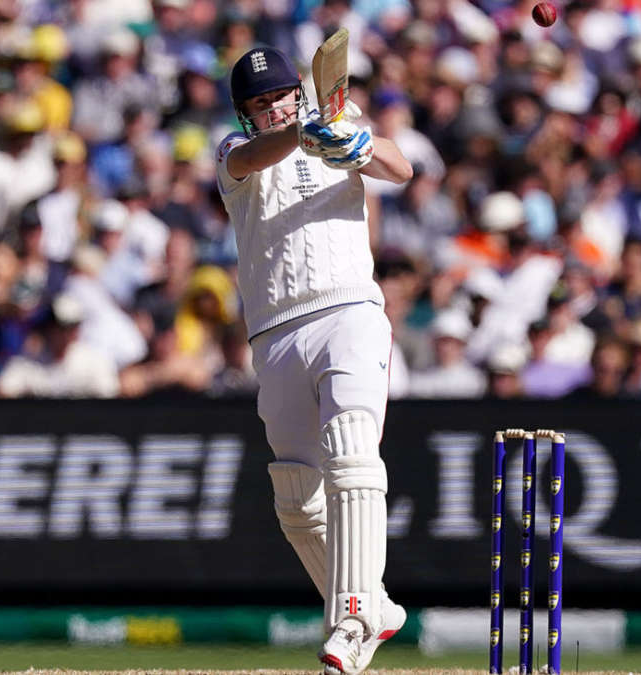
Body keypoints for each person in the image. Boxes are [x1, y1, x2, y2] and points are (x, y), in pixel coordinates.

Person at [215, 45, 412, 674]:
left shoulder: (343, 117)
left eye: (279, 96)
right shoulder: (233, 155)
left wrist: (357, 148)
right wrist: (308, 133)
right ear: (245, 113)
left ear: (297, 92)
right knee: (297, 495)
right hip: (273, 331)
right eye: (259, 103)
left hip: (349, 308)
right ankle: (374, 604)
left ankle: (352, 616)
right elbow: (256, 155)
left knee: (352, 450)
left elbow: (400, 168)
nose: (271, 108)